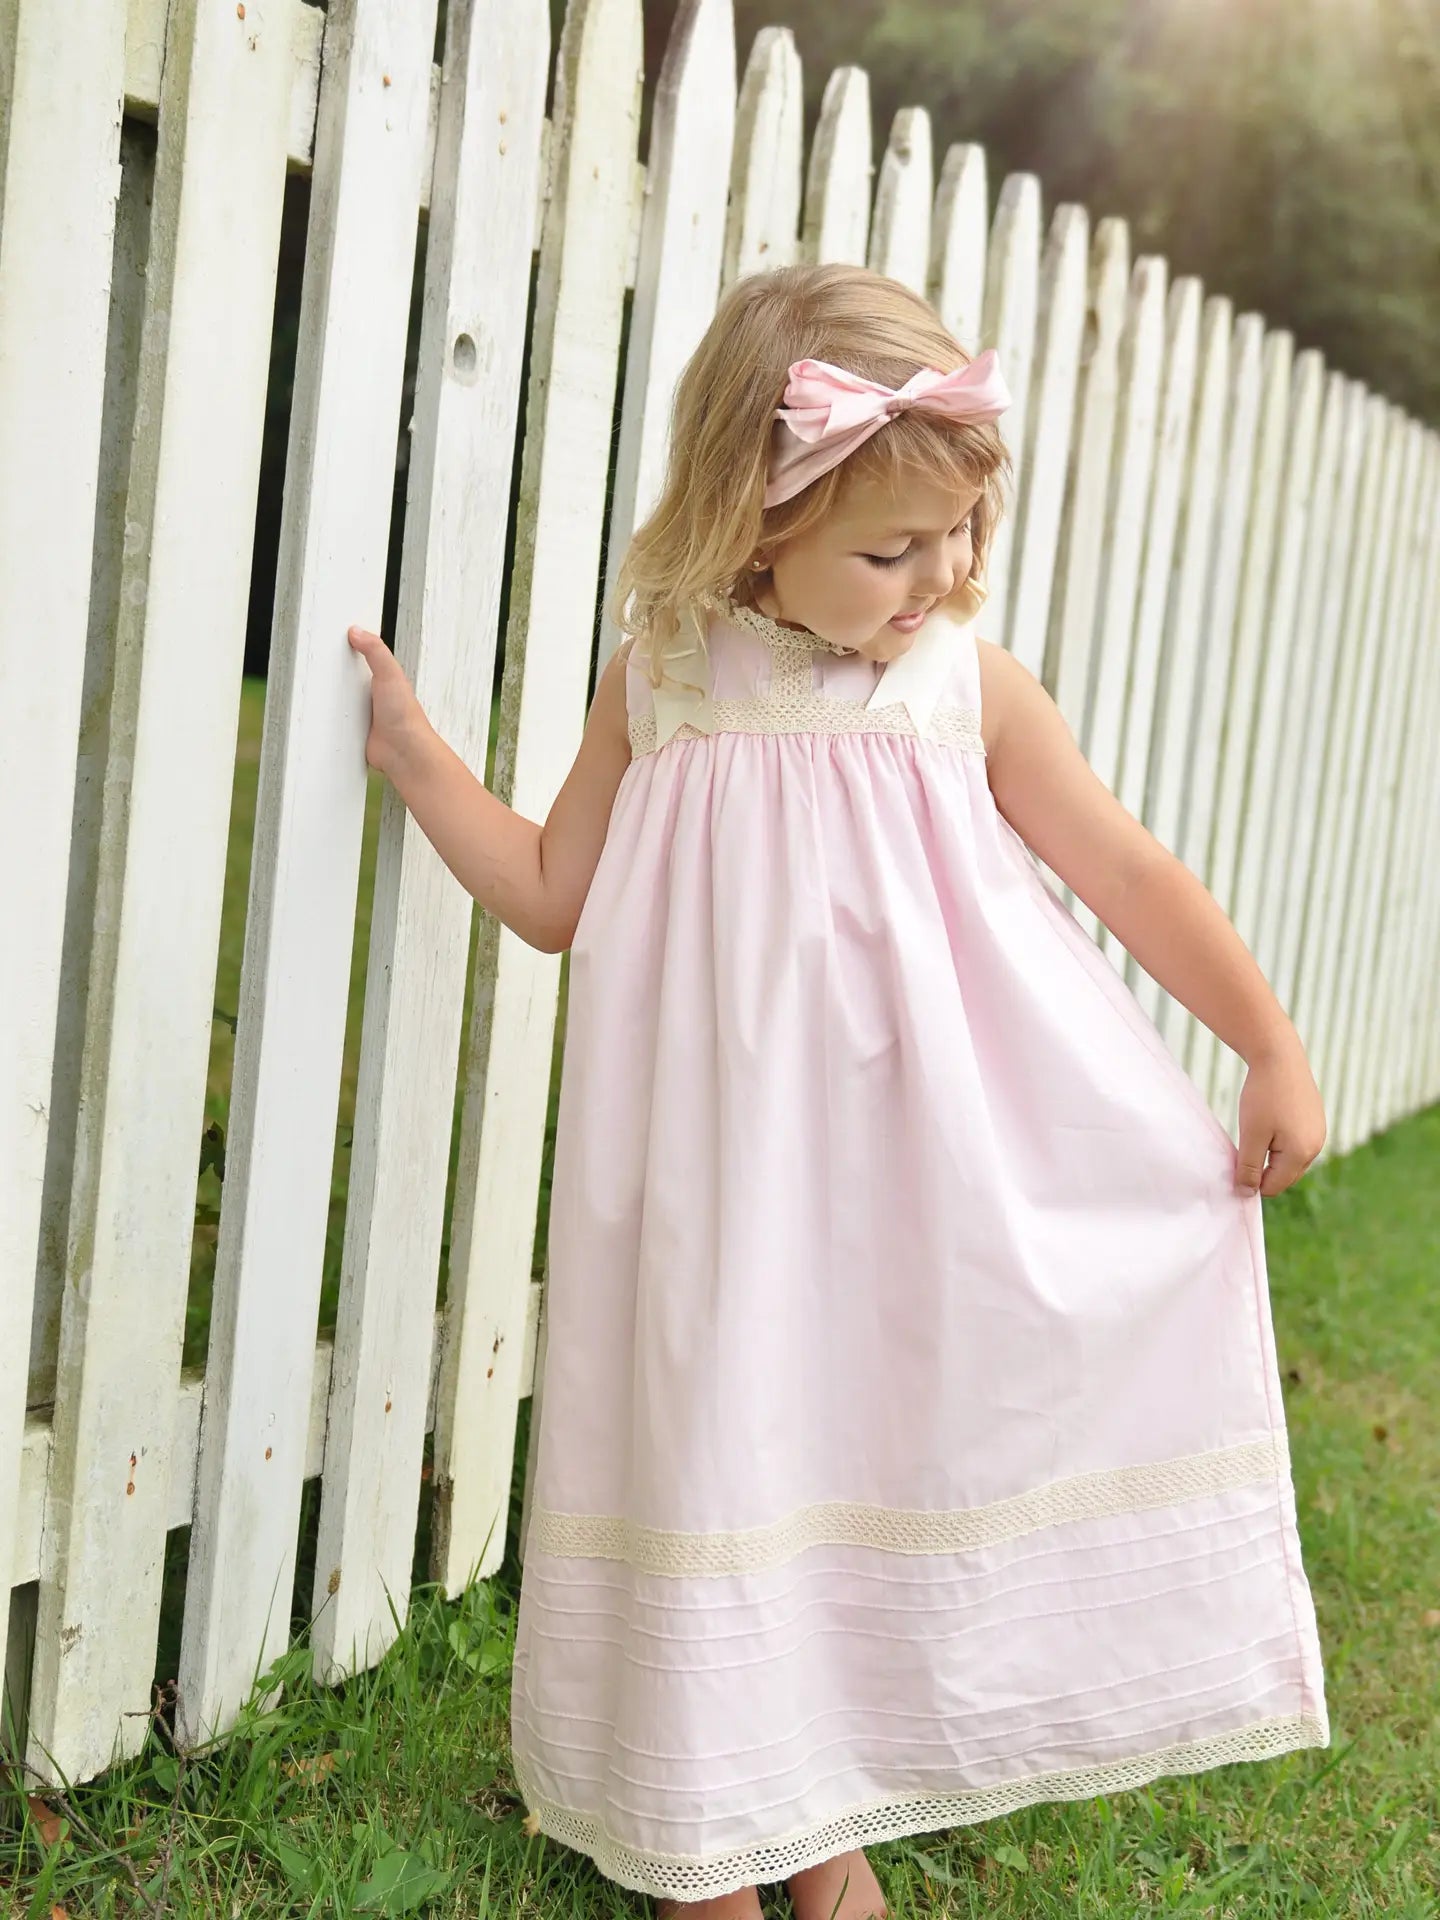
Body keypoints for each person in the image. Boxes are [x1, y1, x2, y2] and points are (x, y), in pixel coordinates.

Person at [347, 262, 1329, 1919]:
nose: (936, 577)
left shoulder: (966, 688)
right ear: (750, 525)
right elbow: (551, 894)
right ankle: (713, 1826)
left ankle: (826, 1802)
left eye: (957, 536)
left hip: (906, 1171)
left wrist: (1266, 1039)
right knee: (723, 1450)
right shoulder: (662, 675)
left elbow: (1128, 868)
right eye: (890, 548)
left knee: (857, 1445)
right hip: (717, 1177)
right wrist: (420, 758)